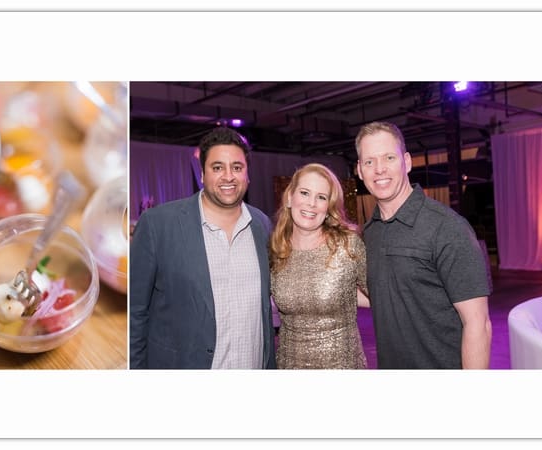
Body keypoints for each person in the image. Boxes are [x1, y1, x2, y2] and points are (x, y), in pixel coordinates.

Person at [129, 127, 276, 369]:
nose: (228, 176)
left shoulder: (261, 225)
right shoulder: (159, 224)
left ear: (247, 175)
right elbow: (134, 312)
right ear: (202, 175)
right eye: (217, 167)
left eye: (237, 168)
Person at [355, 121, 492, 369]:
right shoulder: (370, 231)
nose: (379, 169)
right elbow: (385, 293)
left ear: (406, 162)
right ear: (360, 170)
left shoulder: (448, 228)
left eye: (388, 158)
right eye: (369, 162)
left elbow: (478, 323)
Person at [269, 163, 369, 369]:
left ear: (329, 207)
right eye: (305, 193)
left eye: (321, 197)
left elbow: (383, 298)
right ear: (289, 198)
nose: (312, 203)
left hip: (342, 366)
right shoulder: (276, 250)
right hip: (289, 367)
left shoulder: (347, 246)